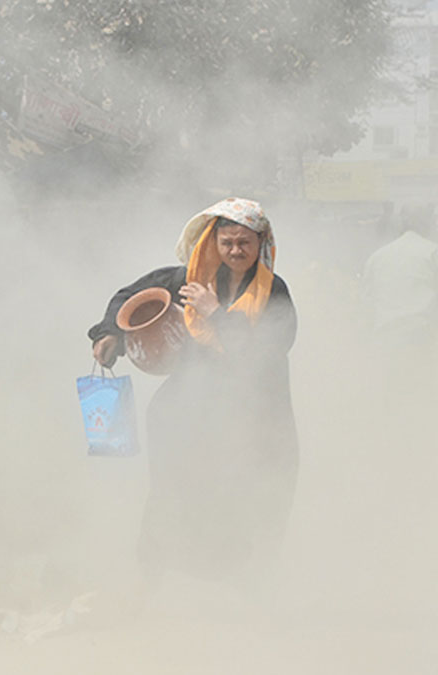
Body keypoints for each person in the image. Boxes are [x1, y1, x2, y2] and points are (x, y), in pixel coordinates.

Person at [87, 198, 299, 589]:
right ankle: (153, 579)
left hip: (251, 415)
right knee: (171, 491)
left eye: (244, 243)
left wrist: (215, 312)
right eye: (227, 243)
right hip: (187, 407)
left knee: (239, 498)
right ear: (213, 243)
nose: (235, 251)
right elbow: (128, 297)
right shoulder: (192, 278)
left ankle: (232, 587)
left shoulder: (274, 291)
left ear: (261, 243)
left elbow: (268, 349)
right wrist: (109, 333)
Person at [361, 204, 438, 400]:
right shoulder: (435, 253)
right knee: (421, 395)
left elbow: (367, 306)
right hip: (420, 337)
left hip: (385, 340)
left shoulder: (377, 257)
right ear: (427, 223)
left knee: (392, 396)